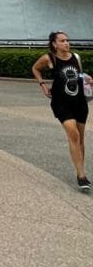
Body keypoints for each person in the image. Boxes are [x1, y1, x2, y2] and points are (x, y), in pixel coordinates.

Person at [32, 31, 91, 191]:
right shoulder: (49, 58)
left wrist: (88, 78)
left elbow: (78, 74)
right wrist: (42, 84)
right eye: (62, 40)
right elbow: (35, 69)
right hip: (60, 103)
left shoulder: (76, 57)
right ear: (54, 44)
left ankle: (81, 169)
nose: (66, 43)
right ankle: (81, 175)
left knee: (80, 140)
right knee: (74, 135)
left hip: (79, 102)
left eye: (67, 40)